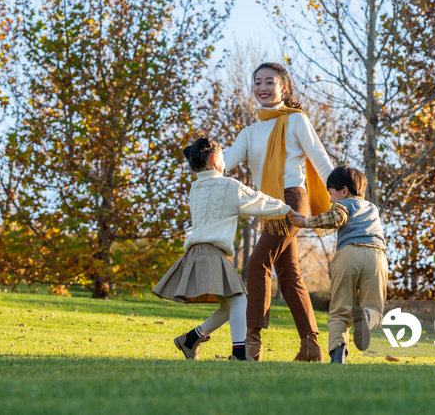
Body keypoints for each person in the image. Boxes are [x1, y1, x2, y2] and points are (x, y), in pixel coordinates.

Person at [223, 62, 334, 362]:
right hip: (267, 207)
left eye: (269, 82)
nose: (262, 87)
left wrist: (346, 193)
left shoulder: (296, 121)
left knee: (256, 264)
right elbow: (225, 160)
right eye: (257, 82)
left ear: (283, 87)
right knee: (289, 275)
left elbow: (321, 160)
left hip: (291, 203)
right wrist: (203, 158)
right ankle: (310, 347)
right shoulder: (250, 132)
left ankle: (251, 344)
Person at [152, 137, 296, 361]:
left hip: (197, 253)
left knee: (230, 306)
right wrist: (287, 208)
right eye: (223, 156)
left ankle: (190, 340)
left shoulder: (195, 188)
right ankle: (239, 353)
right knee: (239, 300)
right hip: (212, 252)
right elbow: (257, 201)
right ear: (214, 159)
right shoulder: (228, 186)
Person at [288, 165, 388, 364]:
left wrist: (305, 222)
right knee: (375, 308)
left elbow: (336, 217)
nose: (330, 200)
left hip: (348, 253)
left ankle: (338, 354)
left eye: (331, 194)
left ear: (344, 191)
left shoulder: (344, 205)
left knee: (340, 310)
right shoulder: (372, 208)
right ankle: (366, 318)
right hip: (377, 256)